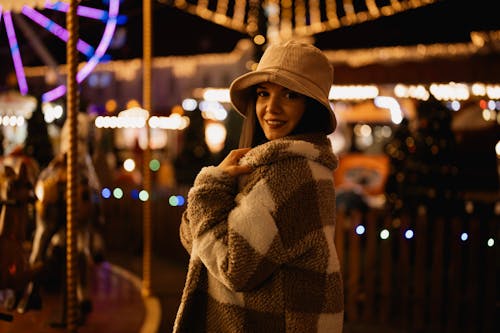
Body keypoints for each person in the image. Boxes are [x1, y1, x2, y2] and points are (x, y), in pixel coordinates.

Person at [174, 40, 344, 332]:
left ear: (311, 107)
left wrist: (209, 187)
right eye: (264, 93)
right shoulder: (279, 168)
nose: (271, 108)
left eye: (290, 95)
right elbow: (196, 241)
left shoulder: (290, 175)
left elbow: (232, 268)